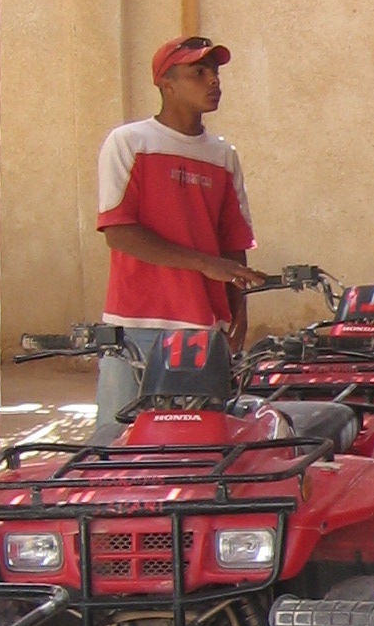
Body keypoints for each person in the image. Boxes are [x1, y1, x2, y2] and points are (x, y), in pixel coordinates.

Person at [94, 36, 266, 433]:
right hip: (137, 323)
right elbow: (119, 232)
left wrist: (238, 312)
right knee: (115, 439)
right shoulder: (129, 142)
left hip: (205, 327)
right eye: (199, 73)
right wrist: (205, 264)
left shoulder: (223, 154)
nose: (213, 81)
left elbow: (233, 242)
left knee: (200, 439)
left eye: (215, 72)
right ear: (166, 84)